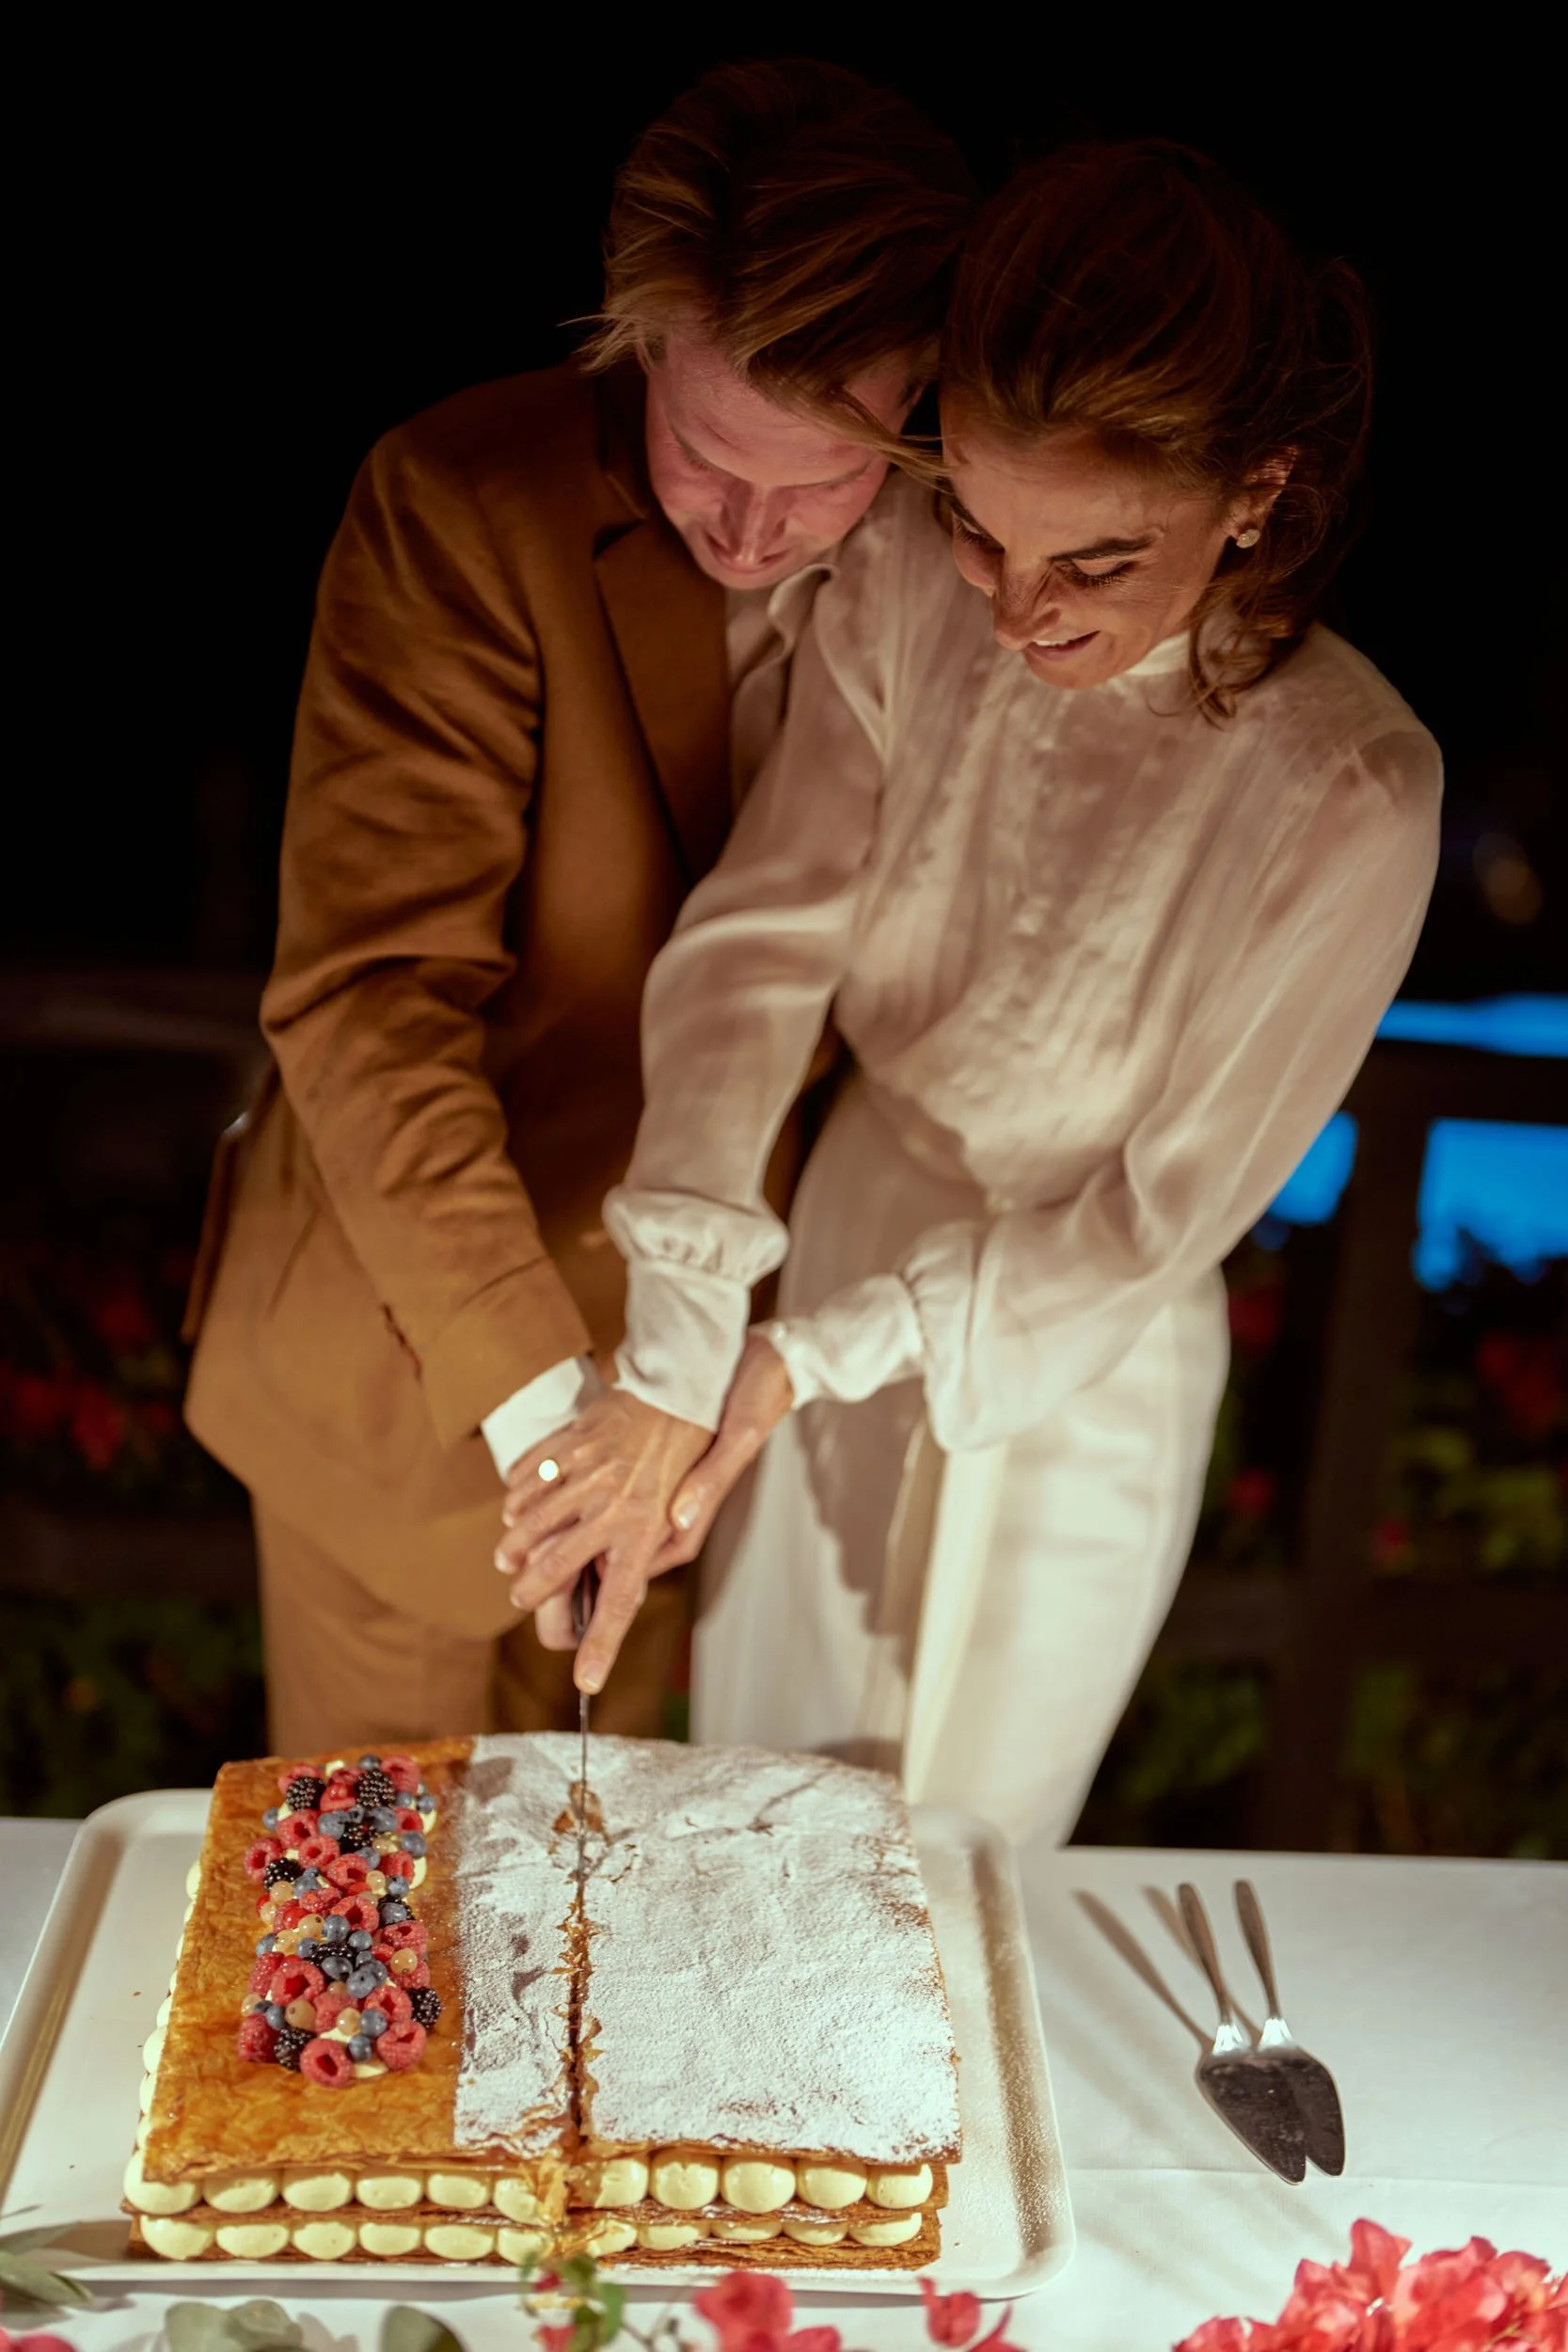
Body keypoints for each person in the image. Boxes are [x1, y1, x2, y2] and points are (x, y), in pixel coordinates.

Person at [495, 142, 1443, 1844]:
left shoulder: (1352, 790)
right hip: (852, 1210)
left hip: (1083, 1348)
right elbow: (757, 946)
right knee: (757, 1809)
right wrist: (686, 1342)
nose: (1016, 612)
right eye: (980, 529)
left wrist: (807, 1362)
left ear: (1256, 492)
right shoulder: (891, 594)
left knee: (970, 1853)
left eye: (1093, 560)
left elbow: (1160, 1216)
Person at [181, 60, 974, 1755]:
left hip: (713, 1414)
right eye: (703, 455)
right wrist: (559, 1428)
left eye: (822, 476)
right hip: (421, 1361)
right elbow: (369, 999)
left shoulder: (975, 565)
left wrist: (685, 1406)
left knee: (614, 1949)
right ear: (632, 346)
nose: (752, 530)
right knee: (376, 1943)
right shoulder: (460, 504)